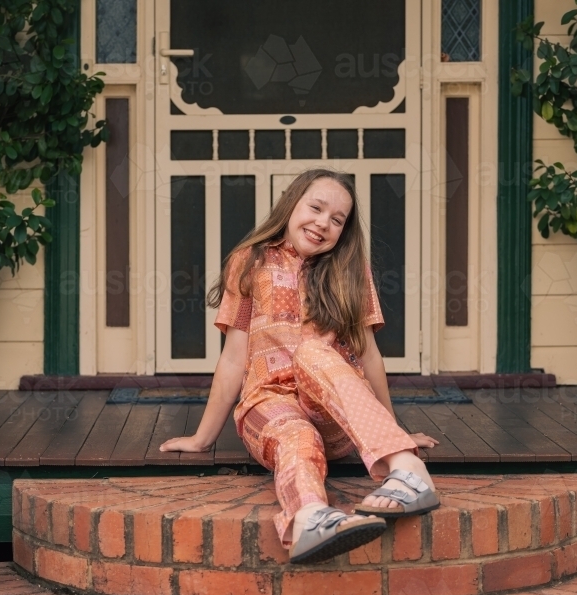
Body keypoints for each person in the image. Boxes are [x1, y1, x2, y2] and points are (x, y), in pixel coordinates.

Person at [160, 169, 441, 565]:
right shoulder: (249, 261)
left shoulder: (349, 271)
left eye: (337, 220)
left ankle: (408, 470)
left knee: (312, 353)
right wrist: (203, 438)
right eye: (316, 207)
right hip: (268, 406)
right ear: (292, 203)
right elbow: (233, 358)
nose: (323, 223)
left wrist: (394, 433)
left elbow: (368, 355)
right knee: (295, 435)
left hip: (332, 417)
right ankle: (311, 519)